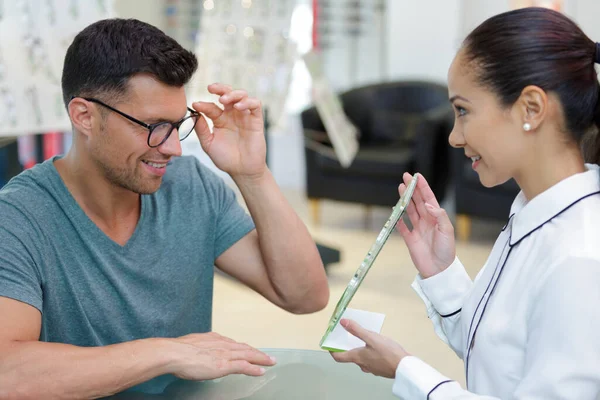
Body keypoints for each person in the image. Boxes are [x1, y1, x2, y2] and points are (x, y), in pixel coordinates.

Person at [0, 18, 329, 398]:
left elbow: (304, 296)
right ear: (84, 116)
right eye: (154, 126)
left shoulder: (190, 187)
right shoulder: (17, 219)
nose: (173, 147)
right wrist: (164, 353)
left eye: (177, 124)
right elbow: (7, 372)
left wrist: (252, 174)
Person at [332, 7, 600, 399]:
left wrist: (408, 372)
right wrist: (440, 272)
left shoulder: (580, 258)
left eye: (463, 111)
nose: (455, 137)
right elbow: (500, 353)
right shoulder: (532, 213)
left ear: (532, 108)